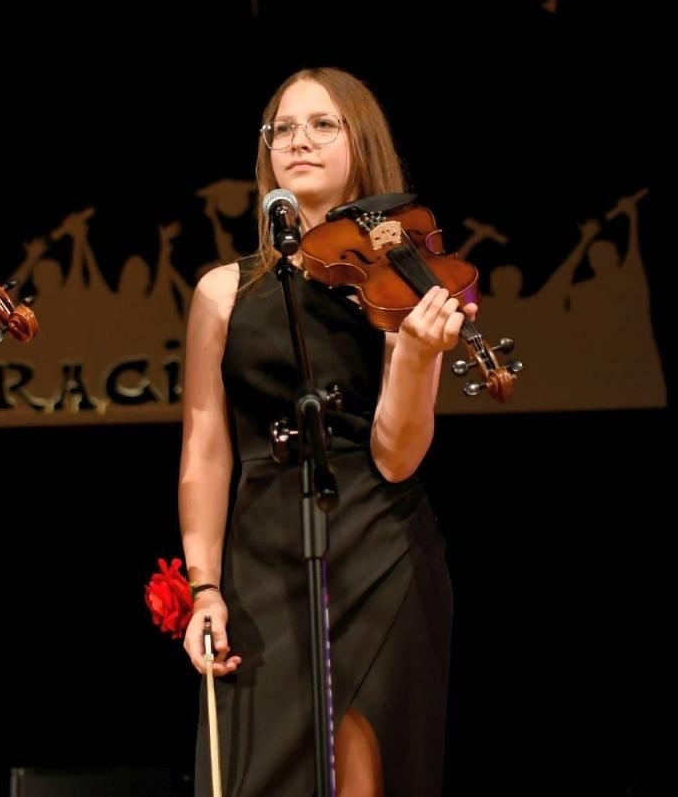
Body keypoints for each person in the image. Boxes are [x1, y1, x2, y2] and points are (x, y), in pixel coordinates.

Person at [177, 67, 466, 796]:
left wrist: (418, 352)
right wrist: (203, 586)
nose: (297, 141)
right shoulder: (222, 291)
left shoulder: (407, 275)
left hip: (379, 545)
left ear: (359, 142)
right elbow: (206, 451)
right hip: (262, 560)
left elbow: (397, 457)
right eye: (282, 128)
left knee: (365, 776)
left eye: (323, 125)